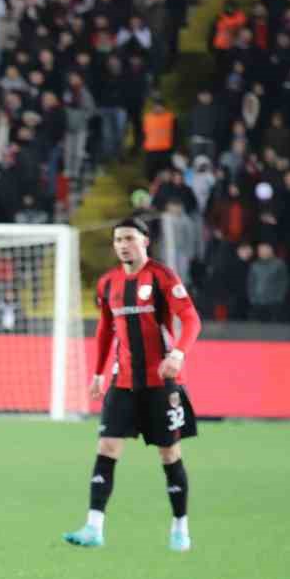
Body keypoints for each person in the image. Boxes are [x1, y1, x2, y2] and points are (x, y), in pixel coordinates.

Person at [66, 218, 203, 552]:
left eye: (129, 238)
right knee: (106, 447)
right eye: (118, 240)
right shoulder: (108, 283)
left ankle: (180, 527)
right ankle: (94, 527)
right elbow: (105, 330)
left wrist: (178, 355)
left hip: (162, 382)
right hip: (123, 381)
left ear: (145, 241)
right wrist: (98, 373)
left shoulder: (162, 276)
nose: (123, 245)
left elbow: (191, 319)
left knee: (169, 453)